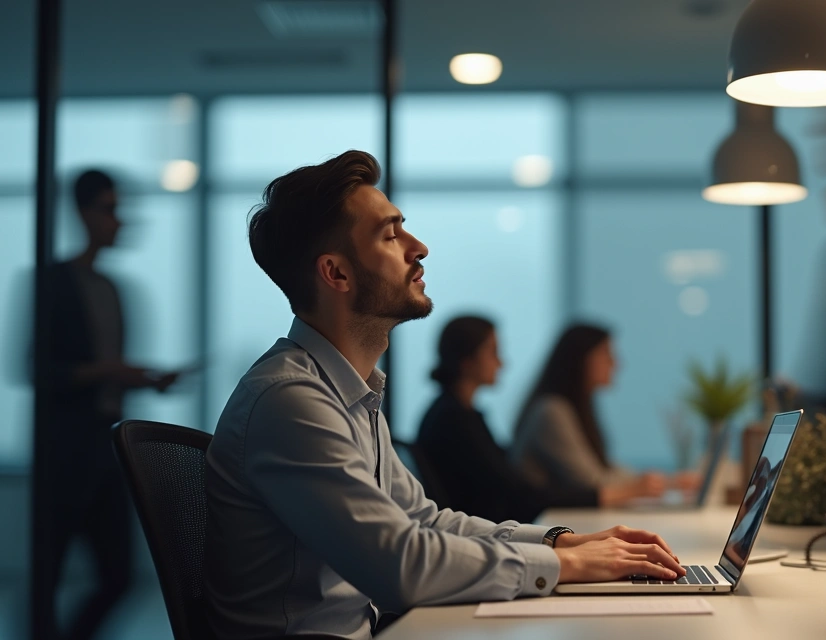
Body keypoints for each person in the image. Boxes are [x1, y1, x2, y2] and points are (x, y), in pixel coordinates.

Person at [204, 151, 685, 640]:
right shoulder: (292, 401)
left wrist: (562, 543)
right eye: (390, 235)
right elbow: (400, 566)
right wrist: (565, 566)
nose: (420, 247)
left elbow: (424, 521)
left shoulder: (349, 393)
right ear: (337, 274)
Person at [30, 170, 181, 640]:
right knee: (46, 577)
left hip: (105, 449)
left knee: (119, 576)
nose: (118, 221)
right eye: (109, 210)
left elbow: (104, 376)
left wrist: (140, 379)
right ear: (83, 213)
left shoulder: (113, 291)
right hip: (62, 451)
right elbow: (37, 369)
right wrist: (111, 372)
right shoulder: (52, 282)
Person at [417, 316, 666, 523]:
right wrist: (614, 493)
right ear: (467, 361)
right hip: (488, 541)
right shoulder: (455, 421)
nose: (502, 362)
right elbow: (516, 493)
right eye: (493, 352)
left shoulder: (460, 415)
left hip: (492, 533)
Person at [511, 324, 698, 499]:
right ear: (580, 359)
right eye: (607, 354)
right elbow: (591, 482)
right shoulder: (551, 412)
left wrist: (668, 481)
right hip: (544, 523)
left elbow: (605, 468)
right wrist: (659, 484)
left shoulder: (574, 408)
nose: (616, 364)